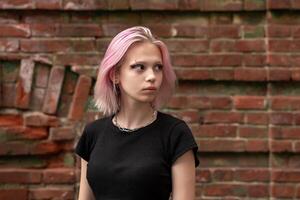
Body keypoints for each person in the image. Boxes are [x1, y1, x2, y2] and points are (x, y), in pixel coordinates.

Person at [75, 26, 200, 200]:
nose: (152, 76)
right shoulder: (93, 134)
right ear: (115, 75)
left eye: (157, 67)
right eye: (139, 67)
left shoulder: (175, 134)